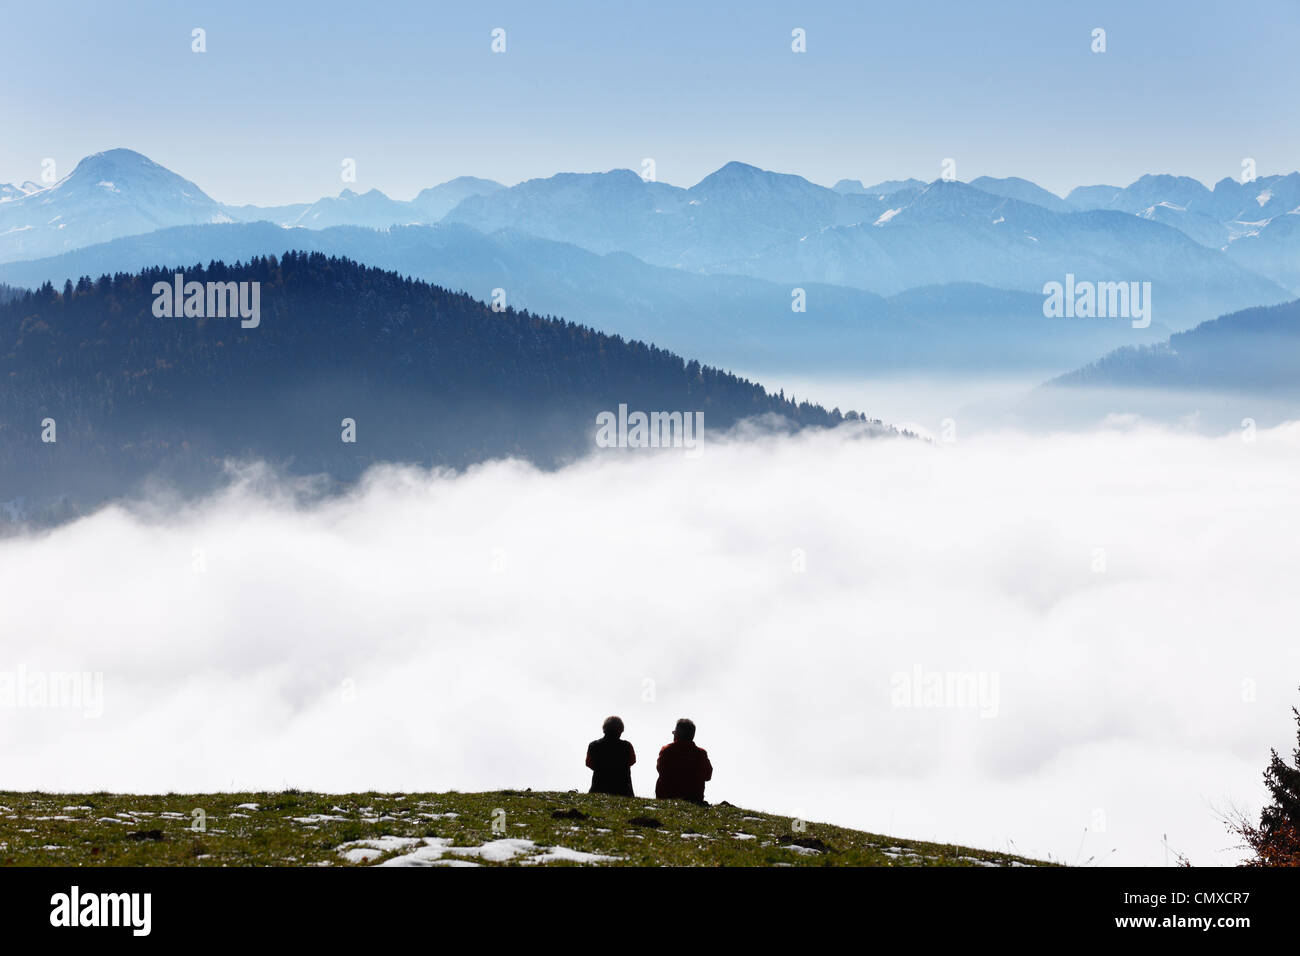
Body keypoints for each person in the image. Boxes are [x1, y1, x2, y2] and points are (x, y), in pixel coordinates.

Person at [655, 718, 713, 803]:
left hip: (667, 798)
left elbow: (661, 770)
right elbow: (708, 776)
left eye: (674, 732)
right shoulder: (701, 753)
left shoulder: (667, 750)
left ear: (677, 734)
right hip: (694, 799)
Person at [585, 715, 636, 797]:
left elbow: (589, 763)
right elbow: (632, 761)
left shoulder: (593, 745)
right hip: (623, 791)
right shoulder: (627, 746)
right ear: (621, 730)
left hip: (598, 789)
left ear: (604, 729)